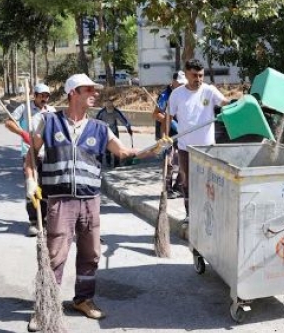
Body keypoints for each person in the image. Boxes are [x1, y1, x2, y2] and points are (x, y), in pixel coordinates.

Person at [23, 73, 166, 331]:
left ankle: (84, 299)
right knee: (55, 254)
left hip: (90, 200)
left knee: (91, 253)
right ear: (73, 93)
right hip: (60, 200)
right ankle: (47, 305)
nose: (95, 94)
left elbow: (123, 152)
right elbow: (31, 157)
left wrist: (151, 150)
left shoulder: (100, 128)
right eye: (89, 89)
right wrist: (31, 183)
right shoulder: (48, 122)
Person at [168, 59, 231, 223]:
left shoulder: (209, 91)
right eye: (194, 75)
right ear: (186, 74)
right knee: (187, 181)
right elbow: (168, 115)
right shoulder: (177, 94)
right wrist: (165, 136)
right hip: (185, 147)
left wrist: (239, 102)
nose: (198, 79)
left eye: (201, 75)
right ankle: (190, 215)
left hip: (207, 148)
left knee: (209, 181)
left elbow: (225, 103)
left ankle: (210, 214)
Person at [4, 83, 57, 237]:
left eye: (47, 96)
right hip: (30, 154)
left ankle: (45, 220)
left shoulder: (51, 111)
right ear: (35, 95)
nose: (44, 98)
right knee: (32, 187)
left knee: (46, 188)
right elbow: (8, 123)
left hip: (47, 155)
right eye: (41, 95)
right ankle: (34, 221)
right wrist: (22, 133)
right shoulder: (24, 108)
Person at [152, 71, 186, 198]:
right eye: (180, 83)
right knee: (169, 162)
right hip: (167, 133)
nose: (182, 86)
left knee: (183, 161)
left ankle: (179, 187)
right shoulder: (165, 96)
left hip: (182, 132)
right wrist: (168, 120)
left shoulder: (184, 93)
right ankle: (167, 189)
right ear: (174, 81)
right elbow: (155, 114)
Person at [95, 97, 133, 168]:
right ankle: (108, 162)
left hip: (114, 131)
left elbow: (124, 120)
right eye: (108, 104)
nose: (109, 106)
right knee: (106, 149)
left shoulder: (116, 112)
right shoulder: (102, 112)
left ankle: (116, 164)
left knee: (116, 147)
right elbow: (96, 122)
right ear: (105, 104)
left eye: (111, 104)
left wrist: (128, 128)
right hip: (104, 132)